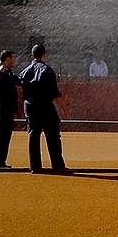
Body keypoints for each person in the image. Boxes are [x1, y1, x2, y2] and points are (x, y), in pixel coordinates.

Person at [19, 44, 68, 174]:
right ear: (44, 55)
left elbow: (21, 90)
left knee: (33, 135)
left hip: (30, 107)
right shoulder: (47, 70)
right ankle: (58, 165)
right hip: (45, 107)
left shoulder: (24, 71)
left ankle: (35, 166)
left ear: (33, 55)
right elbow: (55, 93)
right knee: (52, 136)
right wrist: (64, 108)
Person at [0, 49, 21, 169]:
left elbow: (18, 81)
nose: (15, 60)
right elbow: (0, 72)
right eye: (13, 58)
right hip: (2, 108)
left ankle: (0, 161)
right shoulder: (0, 70)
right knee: (3, 135)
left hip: (6, 108)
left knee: (5, 135)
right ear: (7, 59)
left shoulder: (8, 71)